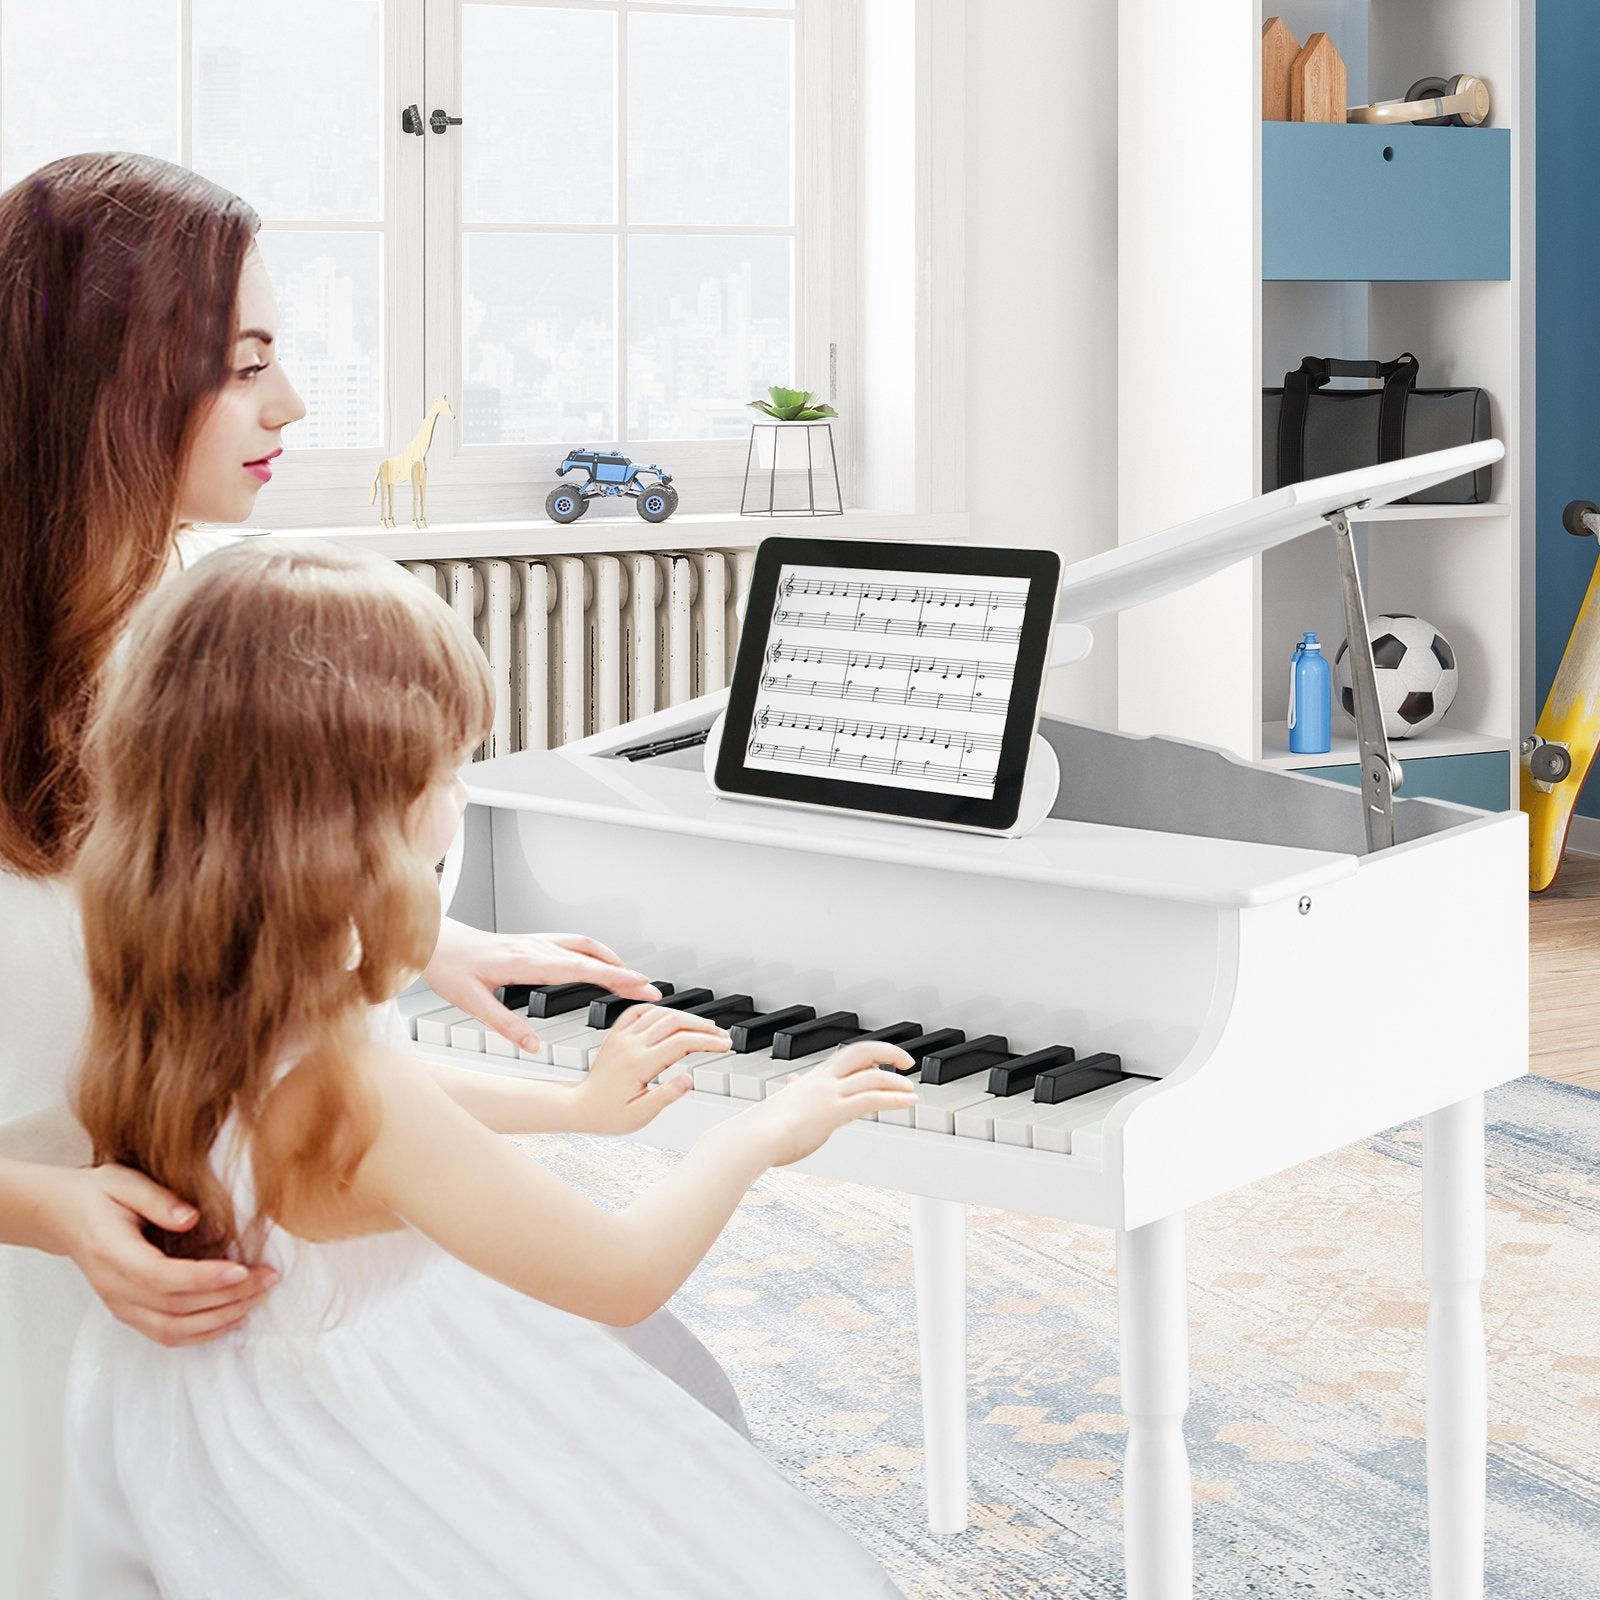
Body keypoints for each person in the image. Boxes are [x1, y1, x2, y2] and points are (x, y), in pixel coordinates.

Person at [0, 150, 726, 1596]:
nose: (293, 406)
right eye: (242, 361)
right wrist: (50, 1213)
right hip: (72, 1275)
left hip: (241, 1237)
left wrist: (412, 936)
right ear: (106, 378)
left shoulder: (210, 620)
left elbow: (213, 876)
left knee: (662, 1410)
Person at [59, 540, 915, 1598]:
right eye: (449, 772)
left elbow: (365, 1122)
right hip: (353, 1427)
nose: (458, 800)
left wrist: (572, 1107)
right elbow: (619, 1268)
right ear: (353, 811)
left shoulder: (175, 998)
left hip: (219, 1412)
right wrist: (762, 1134)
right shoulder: (350, 1093)